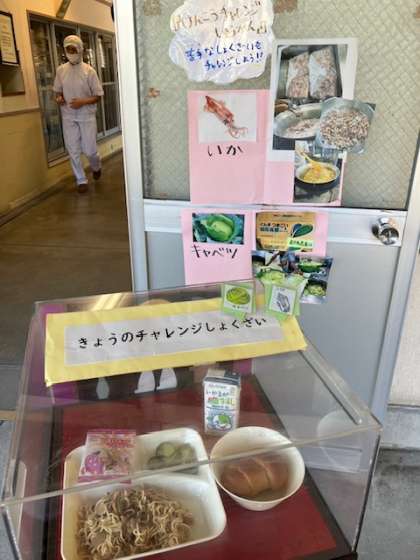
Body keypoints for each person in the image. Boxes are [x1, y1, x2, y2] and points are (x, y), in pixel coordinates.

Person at [53, 35, 104, 193]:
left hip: (86, 116)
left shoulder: (89, 71)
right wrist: (59, 98)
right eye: (68, 49)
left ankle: (96, 166)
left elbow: (98, 96)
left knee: (90, 150)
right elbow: (57, 91)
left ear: (80, 49)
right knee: (73, 150)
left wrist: (82, 102)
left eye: (73, 49)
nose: (71, 53)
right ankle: (81, 180)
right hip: (68, 116)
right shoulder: (61, 70)